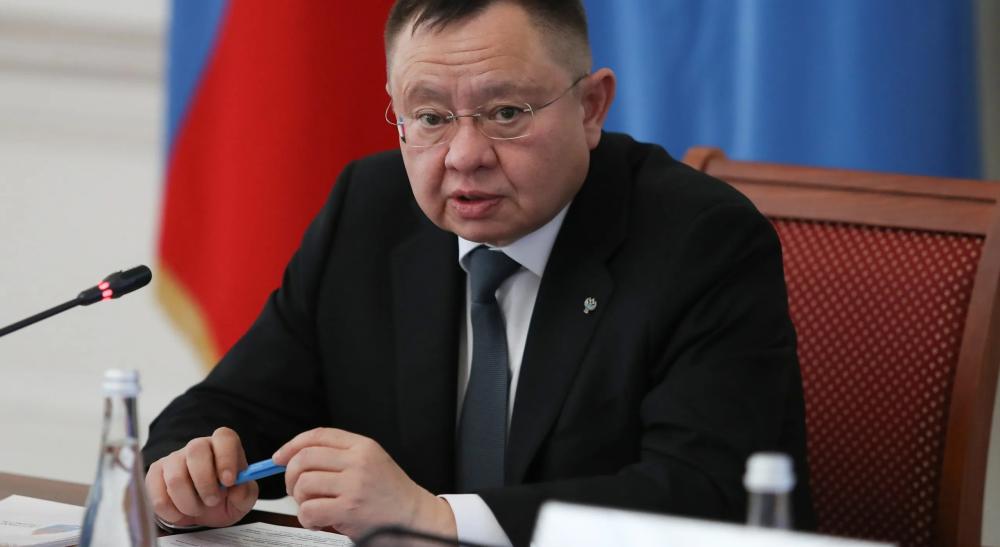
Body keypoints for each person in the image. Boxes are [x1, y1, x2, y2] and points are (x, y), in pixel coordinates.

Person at [142, 1, 815, 545]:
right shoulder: (370, 210)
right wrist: (188, 472)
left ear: (591, 107)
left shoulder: (700, 239)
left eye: (506, 113)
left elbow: (706, 497)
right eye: (430, 117)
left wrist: (436, 518)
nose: (464, 156)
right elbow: (231, 408)